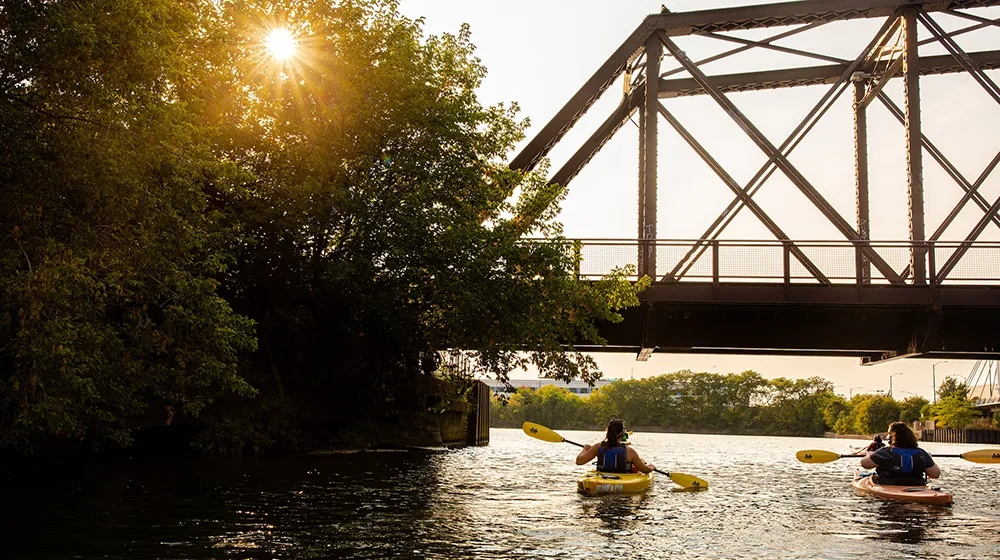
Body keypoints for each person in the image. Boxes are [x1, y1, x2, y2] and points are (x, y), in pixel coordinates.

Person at [860, 422, 941, 486]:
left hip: (889, 486)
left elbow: (864, 464)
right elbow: (935, 474)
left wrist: (869, 455)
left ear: (892, 437)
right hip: (916, 486)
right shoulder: (921, 453)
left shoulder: (885, 452)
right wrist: (930, 460)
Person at [575, 418, 655, 474]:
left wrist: (585, 449)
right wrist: (651, 467)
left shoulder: (597, 447)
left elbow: (579, 461)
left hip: (601, 479)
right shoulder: (629, 451)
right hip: (622, 482)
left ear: (607, 432)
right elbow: (644, 469)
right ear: (623, 434)